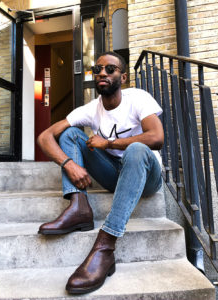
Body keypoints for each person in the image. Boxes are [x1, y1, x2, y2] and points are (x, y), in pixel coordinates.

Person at [37, 51, 164, 294]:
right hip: (114, 175)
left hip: (146, 176)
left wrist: (109, 144)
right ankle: (79, 207)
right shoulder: (91, 109)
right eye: (97, 70)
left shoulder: (138, 98)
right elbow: (45, 137)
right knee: (70, 134)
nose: (102, 73)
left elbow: (156, 138)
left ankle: (105, 246)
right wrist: (69, 164)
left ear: (123, 77)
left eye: (110, 69)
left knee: (136, 149)